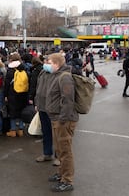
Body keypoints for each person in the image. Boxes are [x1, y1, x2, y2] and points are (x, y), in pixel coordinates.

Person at [46, 53, 78, 192]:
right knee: (59, 150)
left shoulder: (65, 77)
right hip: (56, 118)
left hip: (63, 120)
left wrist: (63, 119)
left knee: (65, 151)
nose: (47, 64)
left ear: (57, 64)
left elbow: (68, 100)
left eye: (49, 62)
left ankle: (67, 180)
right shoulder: (57, 75)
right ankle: (61, 173)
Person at [33, 54, 60, 165]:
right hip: (42, 107)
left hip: (54, 109)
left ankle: (58, 156)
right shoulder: (42, 73)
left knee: (57, 134)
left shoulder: (60, 75)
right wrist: (37, 103)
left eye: (49, 62)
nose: (46, 64)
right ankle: (47, 153)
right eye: (45, 62)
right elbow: (38, 89)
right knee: (46, 132)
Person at [4, 59, 28, 137]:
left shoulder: (10, 73)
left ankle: (13, 130)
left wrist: (5, 95)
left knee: (12, 112)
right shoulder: (25, 72)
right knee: (20, 111)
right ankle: (20, 130)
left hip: (12, 94)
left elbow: (7, 85)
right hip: (23, 94)